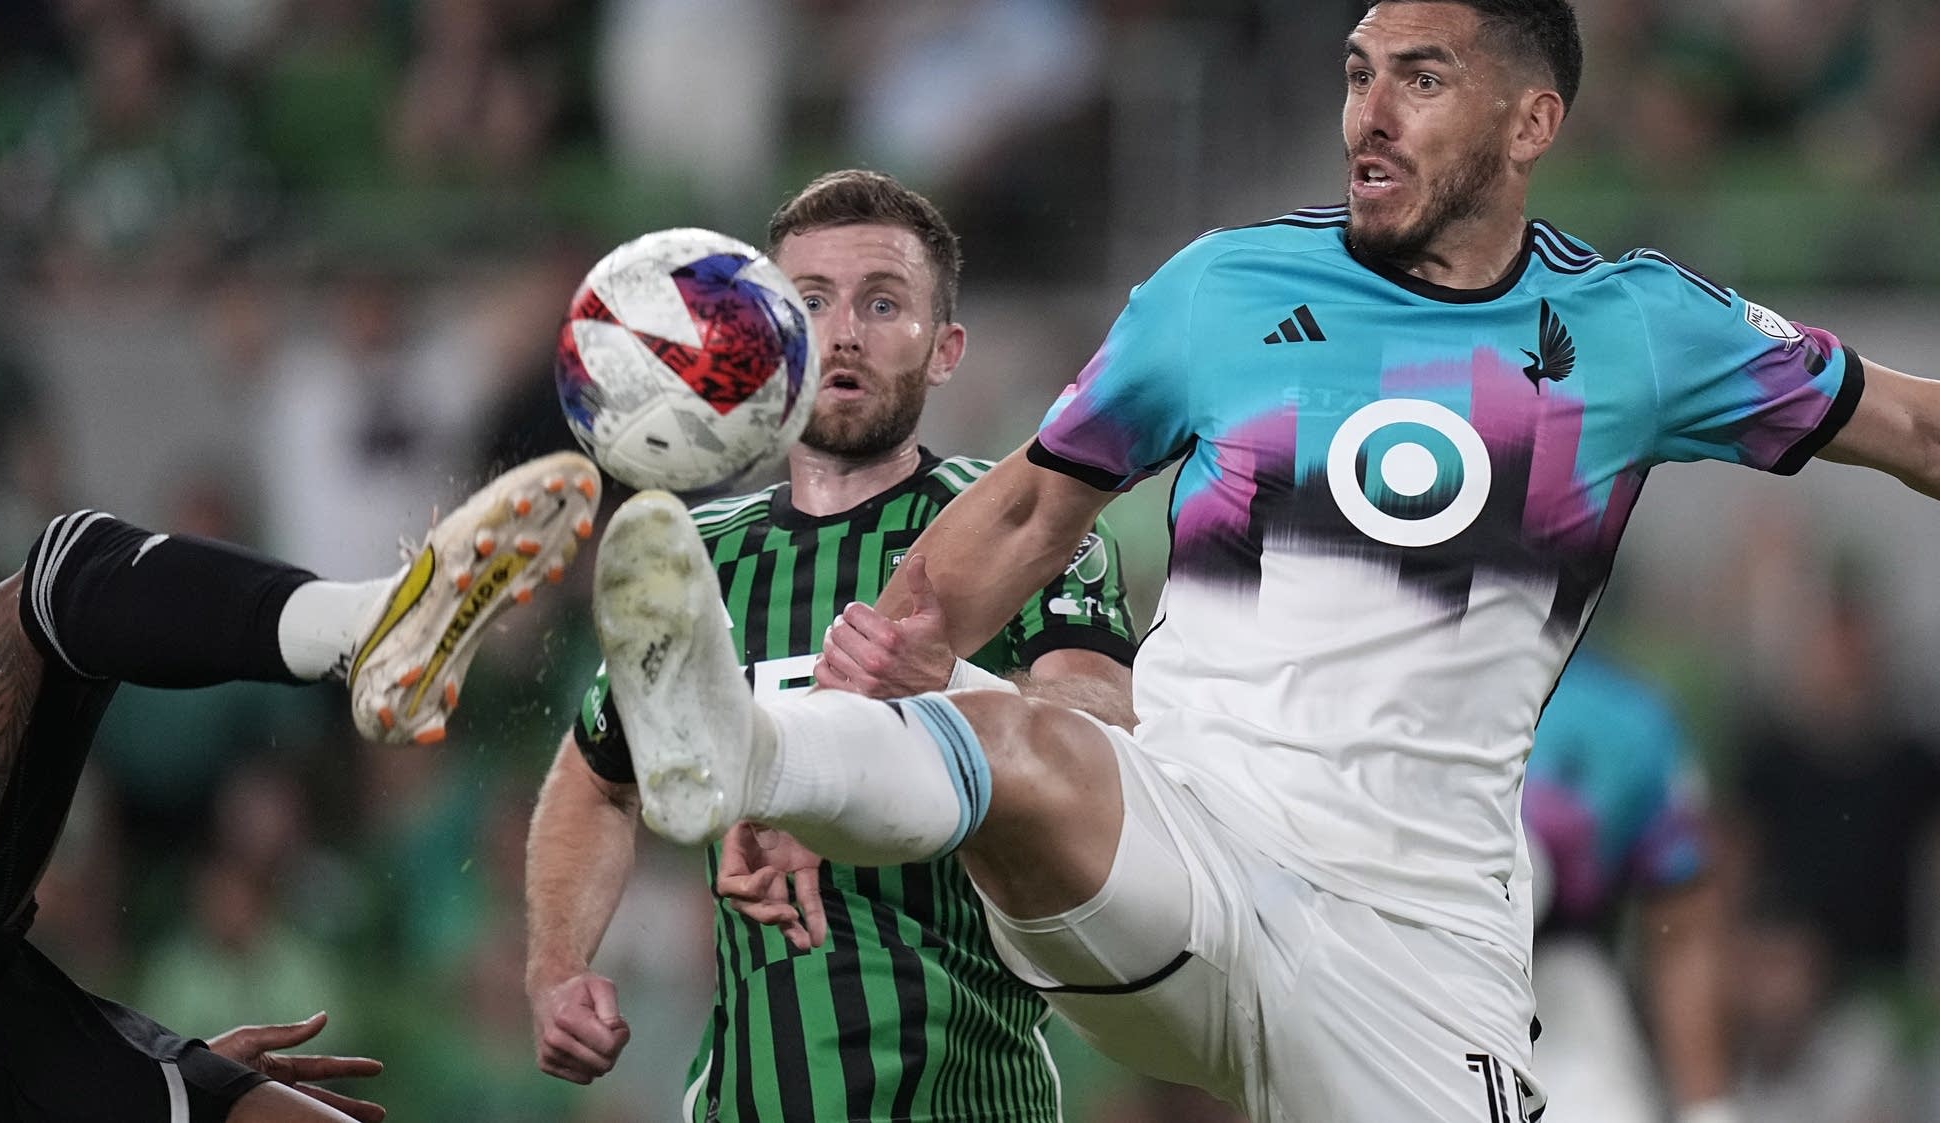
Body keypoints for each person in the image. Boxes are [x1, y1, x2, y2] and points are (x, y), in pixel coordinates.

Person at [583, 0, 1940, 1117]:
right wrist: (821, 749)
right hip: (1188, 838)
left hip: (1418, 947)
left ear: (1531, 123)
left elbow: (1913, 424)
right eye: (1355, 74)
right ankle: (750, 740)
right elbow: (1025, 513)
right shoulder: (1219, 290)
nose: (1369, 112)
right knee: (1013, 736)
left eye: (1420, 78)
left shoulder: (1635, 326)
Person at [524, 168, 1139, 1121]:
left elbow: (1111, 736)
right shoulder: (699, 558)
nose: (843, 331)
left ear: (946, 350)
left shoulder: (1017, 527)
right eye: (809, 302)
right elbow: (600, 774)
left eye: (882, 303)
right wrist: (558, 966)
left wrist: (954, 685)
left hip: (970, 1097)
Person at [0, 450, 602, 1122]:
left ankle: (371, 630)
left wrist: (163, 1075)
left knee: (69, 580)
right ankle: (366, 630)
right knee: (67, 576)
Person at [1524, 646, 1732, 1123]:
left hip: (1555, 988)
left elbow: (1681, 931)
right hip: (1391, 962)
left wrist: (1710, 1111)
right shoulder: (1372, 674)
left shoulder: (1627, 719)